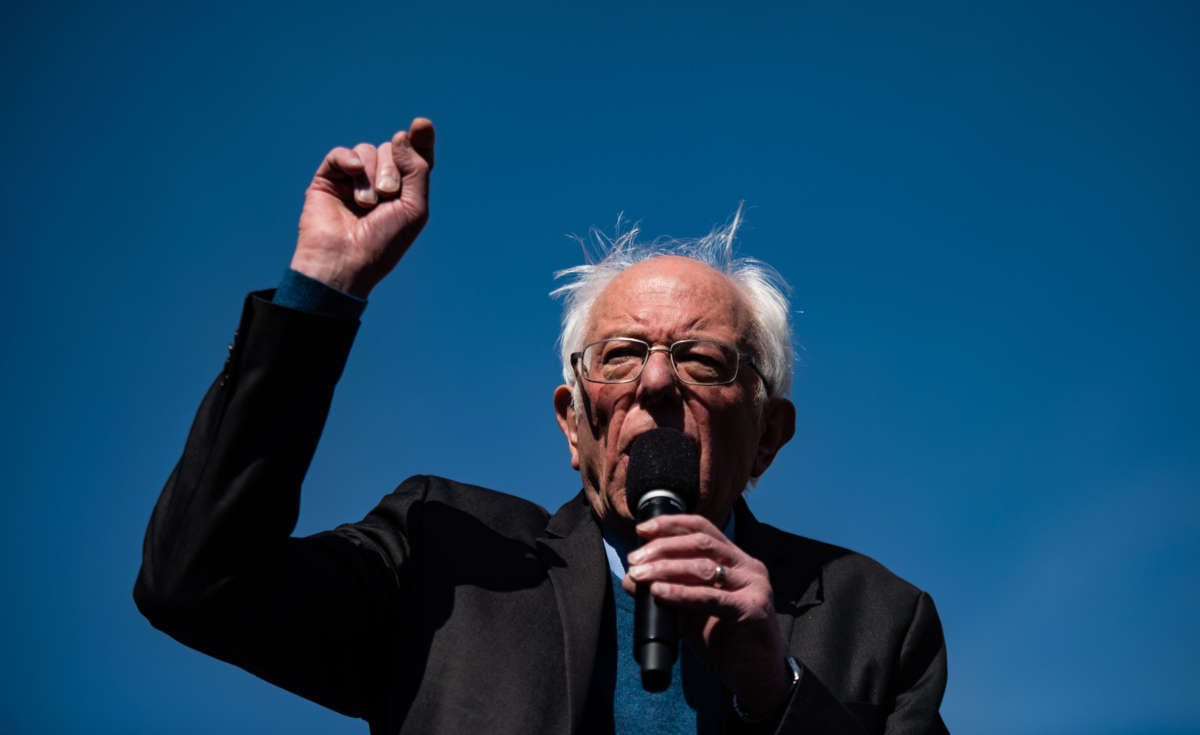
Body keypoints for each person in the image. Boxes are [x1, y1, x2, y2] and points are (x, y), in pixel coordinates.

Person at [134, 118, 949, 734]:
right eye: (622, 354)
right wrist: (323, 287)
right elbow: (200, 583)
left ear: (768, 435)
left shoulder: (879, 620)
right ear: (572, 423)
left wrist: (782, 695)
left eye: (702, 360)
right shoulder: (441, 559)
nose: (657, 380)